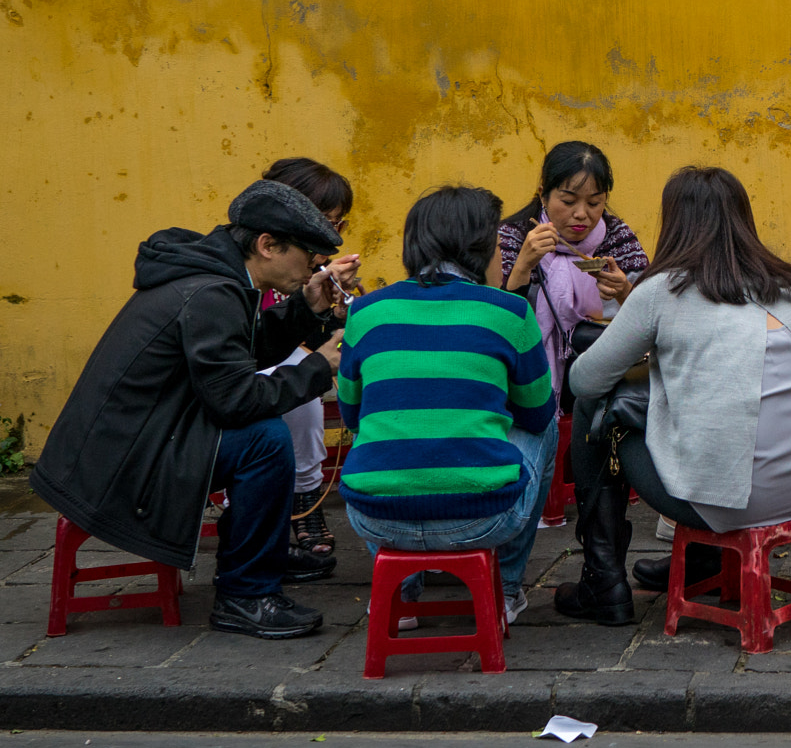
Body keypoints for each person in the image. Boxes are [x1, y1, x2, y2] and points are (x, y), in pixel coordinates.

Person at [31, 181, 347, 639]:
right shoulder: (211, 292)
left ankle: (261, 560)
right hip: (122, 465)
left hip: (133, 441)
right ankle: (246, 594)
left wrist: (304, 309)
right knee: (265, 440)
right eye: (309, 256)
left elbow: (242, 353)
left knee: (263, 433)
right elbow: (235, 401)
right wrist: (321, 365)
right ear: (267, 245)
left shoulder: (216, 277)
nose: (316, 266)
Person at [556, 166, 791, 625]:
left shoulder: (661, 292)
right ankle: (703, 560)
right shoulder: (784, 286)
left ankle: (602, 582)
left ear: (675, 225)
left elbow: (584, 382)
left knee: (600, 406)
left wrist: (644, 369)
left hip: (729, 500)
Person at [335, 186, 558, 625]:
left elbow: (350, 415)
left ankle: (400, 598)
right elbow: (536, 414)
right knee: (547, 427)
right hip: (484, 519)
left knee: (374, 427)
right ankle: (507, 591)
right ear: (479, 249)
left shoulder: (365, 312)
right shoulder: (509, 311)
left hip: (376, 519)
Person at [256, 157, 362, 560]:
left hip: (284, 375)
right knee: (298, 387)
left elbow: (321, 339)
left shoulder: (315, 267)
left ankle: (305, 499)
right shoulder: (258, 266)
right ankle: (289, 500)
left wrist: (336, 310)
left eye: (337, 225)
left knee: (302, 382)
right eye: (322, 222)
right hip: (248, 380)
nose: (329, 236)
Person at [498, 141, 651, 390]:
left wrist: (625, 292)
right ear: (543, 195)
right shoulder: (512, 239)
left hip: (603, 387)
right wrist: (522, 267)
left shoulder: (619, 240)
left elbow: (650, 324)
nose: (581, 214)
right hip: (522, 382)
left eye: (594, 203)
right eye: (568, 201)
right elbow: (498, 324)